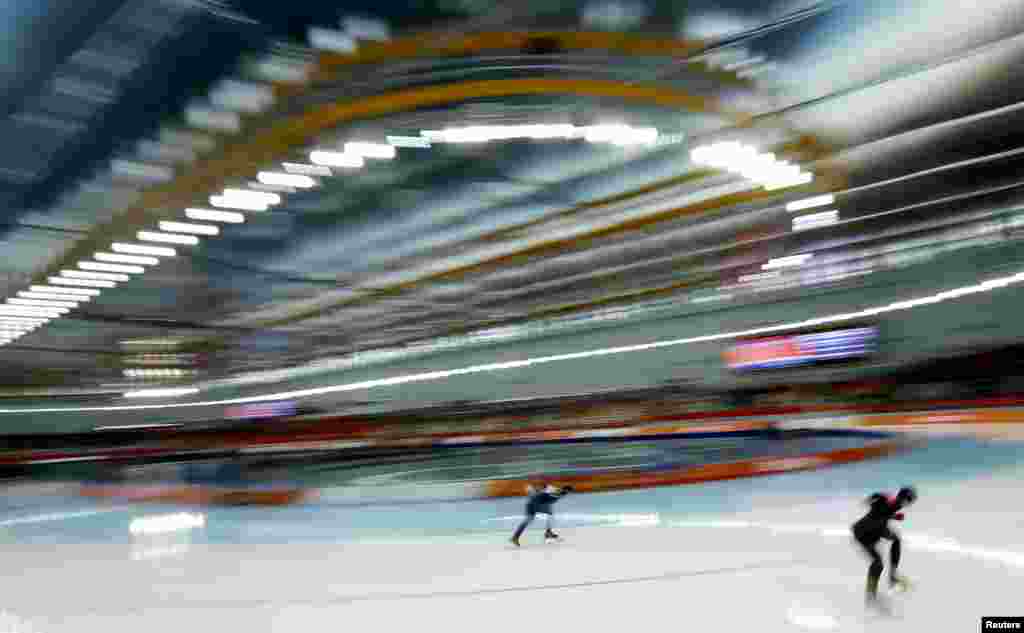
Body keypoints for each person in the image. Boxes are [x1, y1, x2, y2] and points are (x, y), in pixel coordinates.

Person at [851, 486, 917, 607]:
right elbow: (879, 499)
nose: (908, 504)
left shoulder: (897, 504)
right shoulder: (888, 500)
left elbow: (882, 511)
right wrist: (871, 499)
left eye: (910, 502)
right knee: (878, 563)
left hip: (877, 530)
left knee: (896, 540)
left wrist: (893, 517)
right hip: (863, 532)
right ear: (903, 498)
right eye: (909, 501)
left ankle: (892, 576)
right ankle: (871, 594)